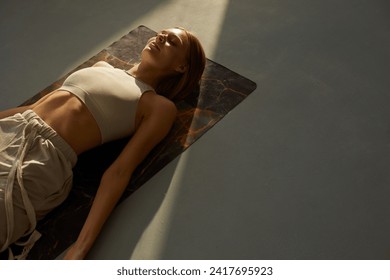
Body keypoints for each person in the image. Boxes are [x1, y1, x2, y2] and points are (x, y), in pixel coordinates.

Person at [0, 27, 206, 259]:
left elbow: (119, 171)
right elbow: (34, 108)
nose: (160, 37)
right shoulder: (101, 67)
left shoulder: (158, 106)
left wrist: (81, 247)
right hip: (10, 131)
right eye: (161, 33)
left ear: (182, 67)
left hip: (39, 160)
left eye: (172, 41)